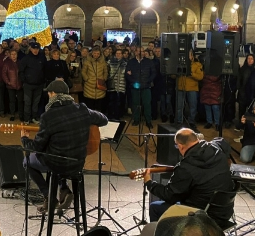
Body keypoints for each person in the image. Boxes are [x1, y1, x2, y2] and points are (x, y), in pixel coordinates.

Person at [21, 80, 108, 213]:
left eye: (49, 94)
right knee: (60, 151)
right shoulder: (83, 109)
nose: (48, 96)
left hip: (56, 164)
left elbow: (37, 147)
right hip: (77, 163)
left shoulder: (48, 116)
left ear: (54, 94)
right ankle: (64, 189)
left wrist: (24, 138)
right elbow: (104, 119)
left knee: (27, 161)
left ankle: (49, 197)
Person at [144, 128, 234, 224]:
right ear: (197, 139)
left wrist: (149, 183)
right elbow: (222, 141)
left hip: (201, 218)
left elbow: (170, 195)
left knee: (155, 207)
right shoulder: (217, 149)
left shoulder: (185, 167)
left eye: (176, 146)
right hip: (224, 214)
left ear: (180, 146)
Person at [125, 47, 156, 128]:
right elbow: (127, 74)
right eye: (138, 51)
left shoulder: (149, 62)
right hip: (135, 86)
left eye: (142, 51)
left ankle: (148, 121)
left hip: (146, 86)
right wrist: (133, 82)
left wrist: (148, 81)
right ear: (135, 52)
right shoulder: (131, 62)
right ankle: (136, 120)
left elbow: (153, 73)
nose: (140, 53)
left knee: (147, 104)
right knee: (135, 104)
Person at [19, 42, 46, 124]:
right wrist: (24, 80)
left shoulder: (42, 58)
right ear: (30, 49)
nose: (35, 50)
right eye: (34, 49)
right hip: (28, 85)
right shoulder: (26, 58)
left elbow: (45, 70)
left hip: (39, 85)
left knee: (36, 103)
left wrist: (43, 80)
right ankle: (27, 118)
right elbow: (21, 71)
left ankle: (34, 117)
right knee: (27, 102)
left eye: (37, 49)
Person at [235, 99, 255, 163]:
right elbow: (238, 127)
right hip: (251, 141)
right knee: (245, 159)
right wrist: (241, 122)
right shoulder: (248, 116)